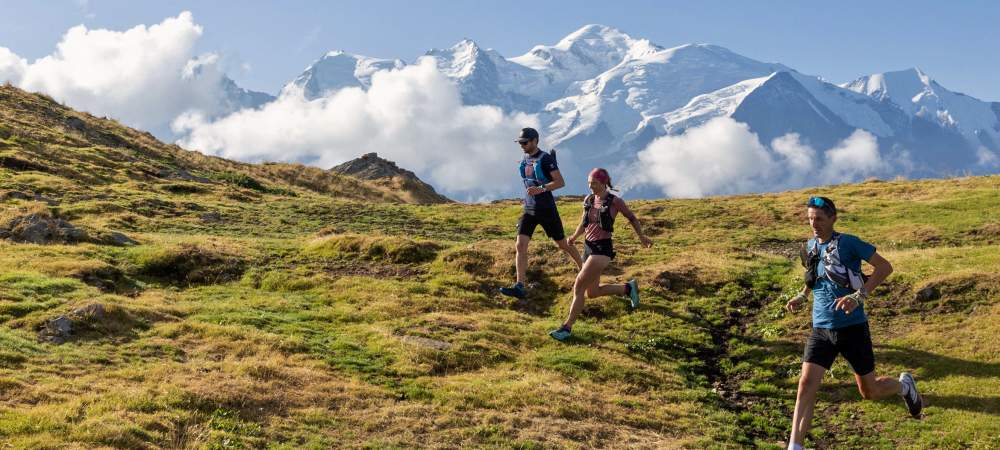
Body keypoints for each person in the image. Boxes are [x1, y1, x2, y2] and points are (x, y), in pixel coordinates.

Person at [785, 196, 923, 450]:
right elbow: (814, 277)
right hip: (821, 329)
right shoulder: (809, 247)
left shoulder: (849, 243)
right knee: (806, 384)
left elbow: (884, 267)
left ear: (833, 218)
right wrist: (801, 295)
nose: (815, 224)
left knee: (869, 391)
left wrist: (859, 296)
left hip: (852, 329)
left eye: (820, 219)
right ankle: (795, 446)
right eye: (810, 219)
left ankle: (904, 386)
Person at [549, 168, 653, 341]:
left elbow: (632, 218)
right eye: (589, 183)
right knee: (593, 292)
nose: (591, 187)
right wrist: (574, 237)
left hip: (602, 249)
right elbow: (585, 223)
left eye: (594, 183)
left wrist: (642, 237)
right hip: (588, 247)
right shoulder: (589, 199)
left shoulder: (615, 201)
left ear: (604, 183)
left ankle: (566, 328)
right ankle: (628, 288)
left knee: (579, 285)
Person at [499, 128, 583, 299]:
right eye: (520, 143)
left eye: (525, 142)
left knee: (563, 244)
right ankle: (520, 285)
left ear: (535, 141)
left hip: (546, 209)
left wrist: (541, 189)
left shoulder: (546, 159)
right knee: (520, 245)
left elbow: (560, 182)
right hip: (529, 209)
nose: (522, 145)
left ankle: (584, 269)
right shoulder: (526, 158)